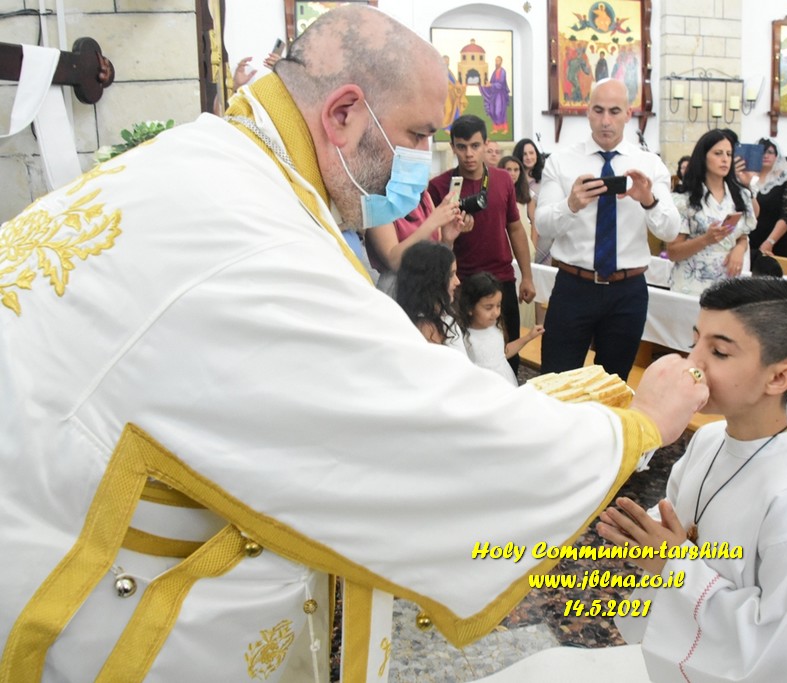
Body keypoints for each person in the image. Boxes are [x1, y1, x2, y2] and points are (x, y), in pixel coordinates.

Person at [0, 7, 710, 681]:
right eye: (417, 134)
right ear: (342, 114)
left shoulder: (207, 158)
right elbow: (424, 430)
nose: (427, 157)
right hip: (81, 594)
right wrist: (636, 424)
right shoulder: (254, 236)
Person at [596, 277, 787, 683]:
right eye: (694, 342)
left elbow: (783, 645)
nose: (692, 363)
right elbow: (681, 520)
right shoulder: (710, 439)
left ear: (778, 378)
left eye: (718, 352)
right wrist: (637, 528)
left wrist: (673, 566)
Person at [535, 78, 681, 381]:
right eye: (598, 110)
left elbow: (670, 231)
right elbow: (543, 224)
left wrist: (648, 200)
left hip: (627, 290)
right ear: (587, 112)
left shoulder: (649, 164)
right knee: (556, 380)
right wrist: (571, 205)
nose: (605, 121)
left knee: (614, 384)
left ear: (628, 114)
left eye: (614, 111)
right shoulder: (561, 162)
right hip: (574, 286)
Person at [427, 114, 535, 374]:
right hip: (460, 284)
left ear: (486, 144)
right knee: (463, 357)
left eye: (475, 146)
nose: (468, 154)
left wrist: (528, 277)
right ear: (452, 146)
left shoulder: (503, 179)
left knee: (507, 354)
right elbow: (434, 242)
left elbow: (515, 228)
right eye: (461, 147)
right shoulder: (439, 187)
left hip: (501, 279)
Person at [665, 129, 756, 296]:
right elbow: (673, 252)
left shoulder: (740, 195)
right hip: (692, 284)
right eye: (718, 153)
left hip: (727, 283)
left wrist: (739, 249)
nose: (725, 159)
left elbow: (743, 235)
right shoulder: (684, 199)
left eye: (729, 154)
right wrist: (705, 239)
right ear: (703, 157)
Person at [365, 189, 467, 297]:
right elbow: (393, 261)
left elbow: (435, 258)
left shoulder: (423, 196)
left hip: (430, 291)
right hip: (399, 292)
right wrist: (432, 223)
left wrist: (447, 240)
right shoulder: (377, 201)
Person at [458, 272, 543, 386]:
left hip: (505, 382)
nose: (496, 313)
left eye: (498, 305)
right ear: (469, 308)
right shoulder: (464, 337)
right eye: (488, 307)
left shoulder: (496, 326)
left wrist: (528, 337)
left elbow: (503, 353)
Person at [396, 241, 466, 353]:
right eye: (451, 275)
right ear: (432, 281)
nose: (457, 282)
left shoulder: (444, 316)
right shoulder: (426, 329)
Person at [500, 154, 541, 326]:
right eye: (508, 169)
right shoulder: (498, 193)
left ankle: (526, 328)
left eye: (516, 169)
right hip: (506, 248)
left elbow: (534, 223)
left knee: (526, 289)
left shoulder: (527, 195)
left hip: (525, 249)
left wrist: (532, 245)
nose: (513, 173)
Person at [747, 137, 787, 258]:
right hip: (752, 239)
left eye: (770, 152)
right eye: (762, 152)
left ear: (776, 155)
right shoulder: (748, 178)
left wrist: (770, 241)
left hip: (779, 240)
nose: (765, 155)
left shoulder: (785, 179)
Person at [481, 56, 510, 135]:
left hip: (500, 94)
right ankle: (495, 128)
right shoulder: (495, 71)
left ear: (501, 62)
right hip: (494, 94)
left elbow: (501, 84)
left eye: (498, 61)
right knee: (492, 110)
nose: (496, 62)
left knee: (499, 111)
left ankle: (505, 128)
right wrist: (485, 84)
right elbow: (491, 82)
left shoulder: (503, 72)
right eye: (496, 60)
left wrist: (491, 85)